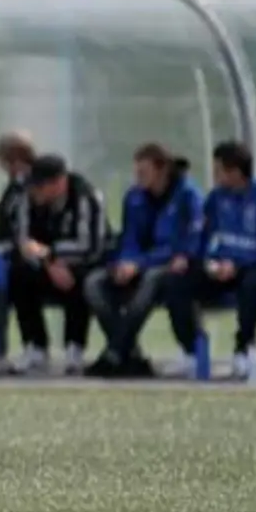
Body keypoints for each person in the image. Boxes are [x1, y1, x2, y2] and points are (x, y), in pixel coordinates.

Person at [83, 144, 202, 377]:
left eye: (143, 172)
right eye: (136, 172)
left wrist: (140, 263)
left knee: (150, 280)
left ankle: (115, 353)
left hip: (170, 266)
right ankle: (131, 355)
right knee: (94, 283)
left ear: (162, 170)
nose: (138, 177)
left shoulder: (188, 196)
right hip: (136, 262)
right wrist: (125, 262)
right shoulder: (134, 197)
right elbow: (129, 237)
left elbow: (185, 243)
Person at [198, 140, 256, 379]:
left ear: (235, 172)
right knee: (180, 279)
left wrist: (238, 265)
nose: (215, 175)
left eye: (219, 170)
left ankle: (243, 347)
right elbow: (203, 237)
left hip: (251, 266)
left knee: (254, 283)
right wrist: (210, 262)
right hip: (220, 266)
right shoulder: (215, 199)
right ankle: (193, 349)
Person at [19, 154, 110, 373]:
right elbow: (25, 242)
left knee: (79, 280)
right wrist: (49, 261)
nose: (36, 191)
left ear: (60, 182)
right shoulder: (28, 198)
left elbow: (90, 246)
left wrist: (53, 254)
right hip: (46, 262)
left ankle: (74, 347)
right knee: (20, 274)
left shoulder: (87, 198)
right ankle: (36, 346)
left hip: (85, 262)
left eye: (42, 185)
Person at [0, 131, 37, 372]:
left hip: (15, 253)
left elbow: (20, 227)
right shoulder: (16, 185)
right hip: (6, 248)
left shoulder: (27, 185)